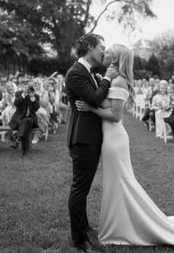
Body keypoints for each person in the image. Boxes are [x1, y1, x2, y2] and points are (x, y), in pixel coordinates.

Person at [76, 44, 174, 248]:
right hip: (110, 137)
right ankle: (118, 224)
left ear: (118, 58)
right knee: (116, 182)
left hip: (114, 139)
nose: (107, 52)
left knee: (121, 181)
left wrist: (90, 108)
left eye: (111, 50)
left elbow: (115, 115)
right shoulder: (113, 78)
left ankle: (123, 226)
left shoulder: (119, 81)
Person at [65, 33, 118, 252]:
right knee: (79, 189)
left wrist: (102, 80)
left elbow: (96, 99)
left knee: (83, 189)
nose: (104, 51)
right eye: (101, 47)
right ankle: (80, 240)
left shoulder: (89, 71)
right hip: (82, 138)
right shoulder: (75, 73)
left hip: (91, 137)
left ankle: (84, 228)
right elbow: (94, 98)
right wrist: (107, 78)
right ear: (88, 47)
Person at [9, 84, 40, 155]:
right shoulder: (19, 94)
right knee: (26, 124)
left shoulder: (35, 96)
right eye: (26, 87)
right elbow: (16, 103)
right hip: (19, 118)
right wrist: (23, 94)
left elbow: (37, 108)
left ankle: (17, 141)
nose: (28, 89)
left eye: (29, 87)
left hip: (30, 118)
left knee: (27, 121)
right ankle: (24, 148)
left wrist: (32, 97)